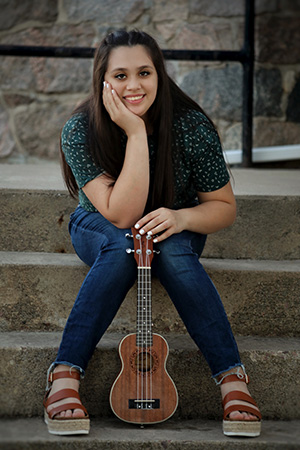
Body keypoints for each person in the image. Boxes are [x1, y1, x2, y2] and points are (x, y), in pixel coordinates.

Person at [43, 29, 261, 438]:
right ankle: (65, 374)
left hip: (172, 225)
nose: (134, 85)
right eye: (120, 76)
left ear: (159, 74)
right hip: (101, 225)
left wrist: (182, 219)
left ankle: (233, 380)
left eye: (144, 72)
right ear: (103, 80)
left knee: (175, 253)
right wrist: (136, 132)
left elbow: (223, 207)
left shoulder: (191, 126)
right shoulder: (80, 129)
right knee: (125, 244)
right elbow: (121, 215)